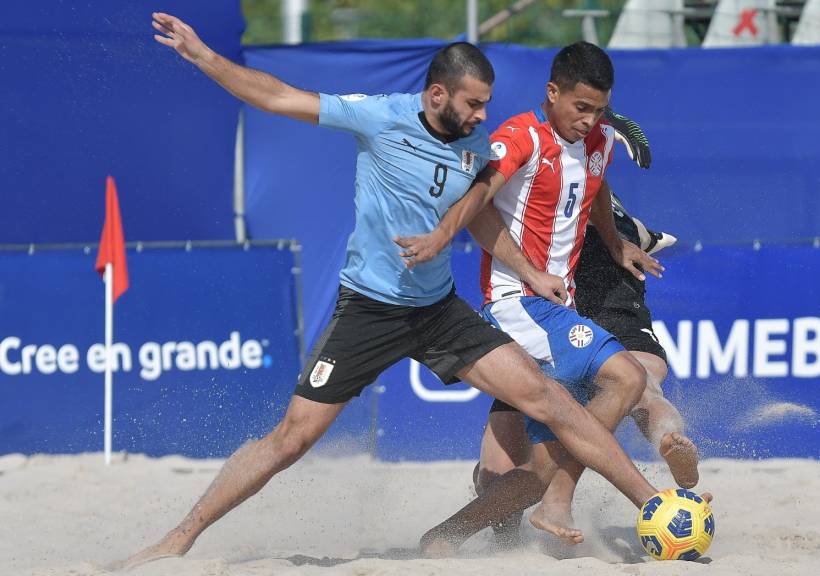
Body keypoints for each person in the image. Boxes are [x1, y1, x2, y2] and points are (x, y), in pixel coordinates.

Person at [121, 14, 663, 569]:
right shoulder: (380, 117)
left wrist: (511, 263)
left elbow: (478, 219)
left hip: (438, 311)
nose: (483, 116)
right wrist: (205, 57)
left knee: (548, 400)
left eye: (486, 104)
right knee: (290, 440)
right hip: (370, 311)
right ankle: (179, 538)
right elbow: (279, 97)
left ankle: (656, 505)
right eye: (474, 104)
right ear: (436, 94)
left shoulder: (475, 144)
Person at [395, 42, 686, 554]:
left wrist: (616, 243)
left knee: (537, 468)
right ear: (552, 93)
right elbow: (478, 207)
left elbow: (594, 185)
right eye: (580, 107)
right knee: (627, 376)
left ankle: (443, 538)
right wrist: (528, 270)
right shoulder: (520, 136)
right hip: (516, 304)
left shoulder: (598, 140)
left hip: (553, 310)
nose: (589, 120)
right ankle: (575, 502)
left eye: (599, 109)